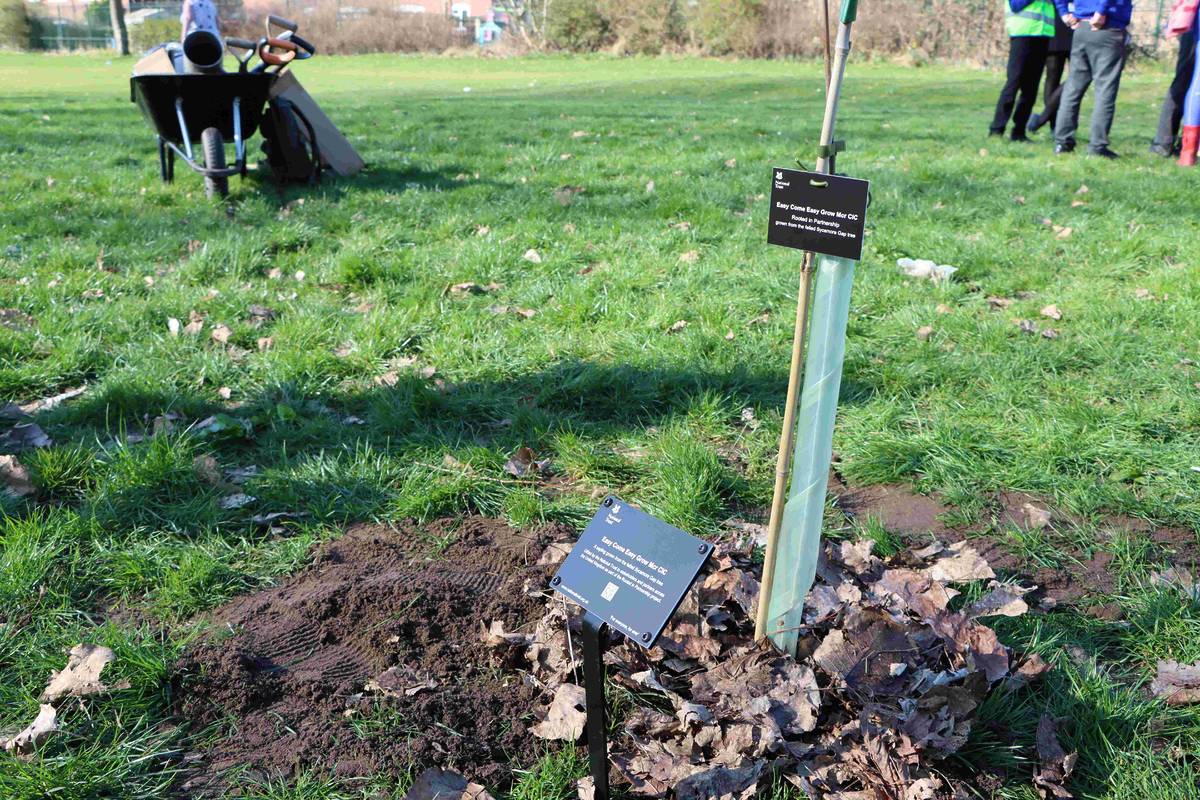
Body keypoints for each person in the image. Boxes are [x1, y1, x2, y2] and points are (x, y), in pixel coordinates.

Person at [1051, 0, 1133, 158]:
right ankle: (1097, 147)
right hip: (1107, 26)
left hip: (1082, 27)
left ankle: (1062, 143)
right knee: (1105, 90)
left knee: (1073, 88)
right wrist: (1101, 11)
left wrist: (1064, 13)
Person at [990, 0, 1058, 141]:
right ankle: (997, 129)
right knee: (1013, 83)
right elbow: (1016, 5)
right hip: (1022, 32)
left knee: (1031, 87)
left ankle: (1019, 132)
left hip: (1043, 33)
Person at [1150, 1, 1198, 156]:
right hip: (1194, 30)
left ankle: (1167, 143)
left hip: (1192, 27)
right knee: (1184, 82)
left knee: (1185, 82)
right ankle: (1165, 142)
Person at [1027, 14, 1074, 133]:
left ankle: (1044, 119)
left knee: (1073, 77)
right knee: (1054, 77)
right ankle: (1054, 125)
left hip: (1071, 24)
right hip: (1060, 24)